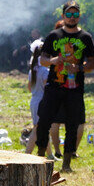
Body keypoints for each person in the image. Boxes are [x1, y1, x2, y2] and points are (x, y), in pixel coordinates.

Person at [36, 1, 94, 173]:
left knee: (73, 124)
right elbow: (43, 59)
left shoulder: (85, 37)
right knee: (44, 121)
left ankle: (67, 164)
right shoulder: (54, 35)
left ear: (79, 16)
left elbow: (93, 62)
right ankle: (41, 158)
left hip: (75, 89)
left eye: (75, 14)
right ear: (63, 16)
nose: (72, 17)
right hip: (54, 86)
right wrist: (54, 61)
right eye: (69, 14)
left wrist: (80, 67)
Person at [25, 26, 61, 157]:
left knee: (42, 129)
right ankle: (27, 153)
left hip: (34, 100)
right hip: (42, 101)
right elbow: (48, 88)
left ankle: (50, 155)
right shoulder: (45, 71)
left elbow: (29, 88)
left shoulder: (32, 70)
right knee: (38, 129)